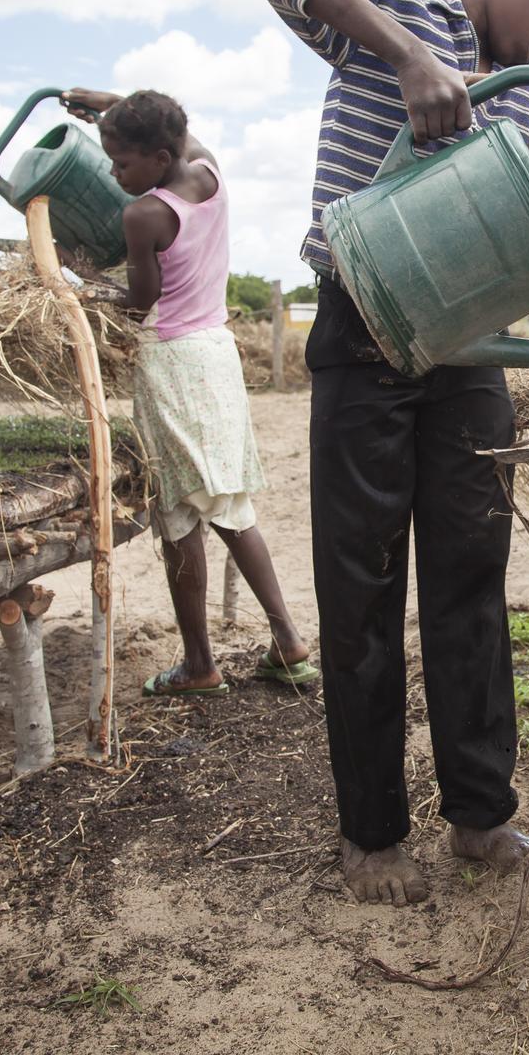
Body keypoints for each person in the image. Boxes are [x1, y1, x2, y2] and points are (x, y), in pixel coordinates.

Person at [227, 0, 529, 905]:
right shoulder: (395, 5)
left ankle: (481, 814)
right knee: (360, 589)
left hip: (468, 344)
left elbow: (498, 204)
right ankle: (372, 835)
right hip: (364, 322)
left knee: (471, 578)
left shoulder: (512, 88)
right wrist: (404, 56)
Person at [58, 85, 318, 696]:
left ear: (158, 155)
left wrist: (81, 276)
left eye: (122, 162)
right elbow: (180, 130)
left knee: (181, 516)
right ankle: (286, 638)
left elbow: (139, 302)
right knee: (229, 503)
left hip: (170, 362)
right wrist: (109, 103)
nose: (116, 173)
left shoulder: (143, 214)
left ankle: (201, 666)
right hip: (215, 355)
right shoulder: (208, 172)